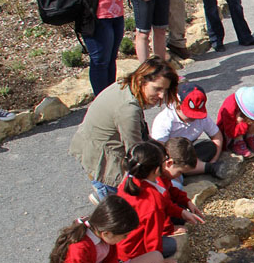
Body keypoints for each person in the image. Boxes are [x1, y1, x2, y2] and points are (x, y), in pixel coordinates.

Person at [70, 57, 179, 203]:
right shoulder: (128, 110)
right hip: (104, 160)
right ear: (142, 81)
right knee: (126, 212)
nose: (161, 95)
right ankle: (105, 195)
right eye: (157, 89)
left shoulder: (126, 86)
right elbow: (136, 154)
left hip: (90, 146)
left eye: (165, 90)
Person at [116, 141, 202, 263]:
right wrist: (157, 261)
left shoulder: (131, 180)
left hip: (125, 241)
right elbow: (152, 238)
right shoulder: (152, 201)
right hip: (132, 250)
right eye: (164, 161)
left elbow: (165, 203)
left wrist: (182, 212)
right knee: (171, 245)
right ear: (157, 170)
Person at [150, 83, 225, 179]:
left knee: (210, 147)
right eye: (190, 114)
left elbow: (217, 136)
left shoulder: (202, 118)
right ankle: (206, 168)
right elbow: (160, 151)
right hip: (172, 156)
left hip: (190, 149)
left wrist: (214, 160)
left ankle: (196, 168)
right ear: (178, 105)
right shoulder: (164, 120)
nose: (194, 118)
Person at [217, 86, 254, 159]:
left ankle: (250, 137)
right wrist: (244, 123)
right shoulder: (230, 105)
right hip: (231, 133)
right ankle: (238, 142)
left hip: (245, 127)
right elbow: (230, 131)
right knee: (239, 118)